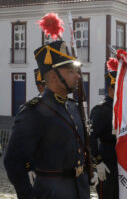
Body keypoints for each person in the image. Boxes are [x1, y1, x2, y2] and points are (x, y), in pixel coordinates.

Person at [4, 40, 96, 199]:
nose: (77, 76)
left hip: (80, 191)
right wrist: (28, 195)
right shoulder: (33, 111)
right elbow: (13, 161)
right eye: (71, 71)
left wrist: (91, 168)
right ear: (54, 76)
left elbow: (81, 148)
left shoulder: (74, 107)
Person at [90, 65, 118, 199]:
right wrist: (98, 161)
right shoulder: (101, 110)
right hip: (107, 162)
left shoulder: (122, 108)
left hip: (121, 162)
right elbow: (90, 136)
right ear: (110, 89)